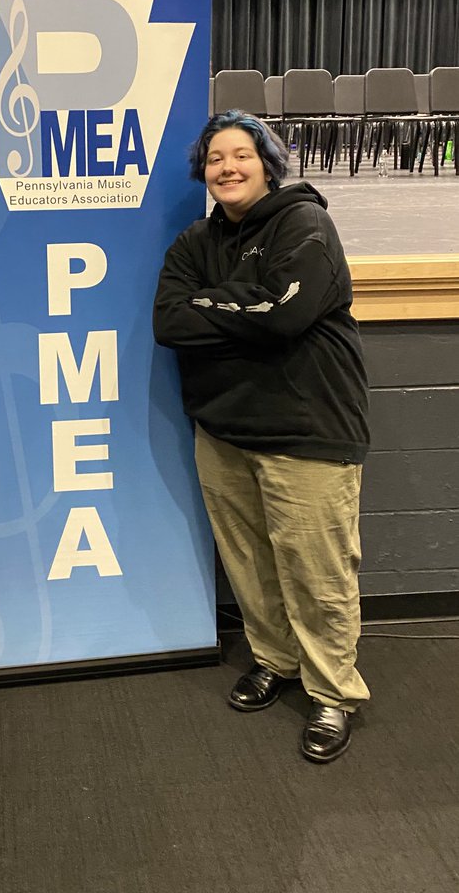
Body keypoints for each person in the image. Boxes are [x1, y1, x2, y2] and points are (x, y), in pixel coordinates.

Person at [153, 109, 370, 763]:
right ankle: (275, 660)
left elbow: (289, 312)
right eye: (216, 158)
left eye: (241, 154)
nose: (228, 167)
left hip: (307, 432)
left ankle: (332, 692)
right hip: (224, 433)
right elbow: (169, 319)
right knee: (249, 564)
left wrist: (214, 307)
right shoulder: (195, 243)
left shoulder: (306, 225)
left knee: (316, 570)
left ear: (267, 162)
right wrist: (244, 305)